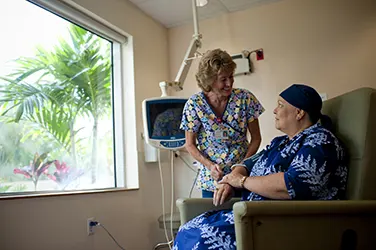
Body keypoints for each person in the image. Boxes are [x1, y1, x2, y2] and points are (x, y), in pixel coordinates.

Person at [173, 84, 348, 250]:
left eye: (280, 105)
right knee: (187, 230)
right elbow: (248, 163)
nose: (274, 110)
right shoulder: (280, 142)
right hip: (257, 217)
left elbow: (291, 185)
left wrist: (241, 181)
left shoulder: (320, 141)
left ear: (299, 113)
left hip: (284, 223)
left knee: (201, 240)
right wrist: (230, 181)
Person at [180, 49, 265, 198]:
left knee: (242, 217)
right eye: (223, 79)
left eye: (231, 77)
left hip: (241, 176)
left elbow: (256, 138)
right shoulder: (194, 104)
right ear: (210, 81)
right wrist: (209, 165)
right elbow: (190, 144)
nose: (229, 83)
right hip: (212, 179)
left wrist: (241, 167)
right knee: (213, 219)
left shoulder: (245, 99)